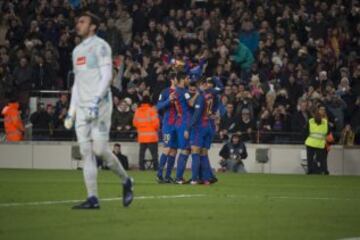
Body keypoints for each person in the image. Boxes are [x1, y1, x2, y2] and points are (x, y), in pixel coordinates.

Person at [64, 12, 133, 209]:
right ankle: (93, 198)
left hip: (100, 105)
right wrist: (71, 110)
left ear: (93, 26)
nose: (78, 24)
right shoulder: (77, 51)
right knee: (86, 152)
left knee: (100, 150)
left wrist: (96, 99)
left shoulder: (101, 46)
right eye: (78, 21)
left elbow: (106, 76)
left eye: (83, 21)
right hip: (83, 108)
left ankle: (126, 180)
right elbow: (77, 83)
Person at [156, 72, 178, 183]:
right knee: (167, 148)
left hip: (178, 126)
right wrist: (168, 100)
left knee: (174, 150)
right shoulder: (165, 92)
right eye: (177, 78)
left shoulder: (182, 92)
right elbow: (158, 107)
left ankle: (168, 176)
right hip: (167, 126)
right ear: (172, 80)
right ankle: (159, 174)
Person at [133, 95, 160, 171]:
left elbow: (134, 123)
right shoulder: (152, 110)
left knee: (141, 154)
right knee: (154, 155)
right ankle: (156, 168)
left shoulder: (138, 111)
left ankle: (141, 168)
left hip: (142, 137)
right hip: (152, 137)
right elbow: (156, 124)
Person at [304, 107, 329, 175]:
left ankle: (310, 171)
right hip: (320, 143)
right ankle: (324, 171)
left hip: (311, 142)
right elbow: (328, 131)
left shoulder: (310, 121)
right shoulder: (325, 122)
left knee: (310, 158)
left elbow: (305, 130)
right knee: (322, 159)